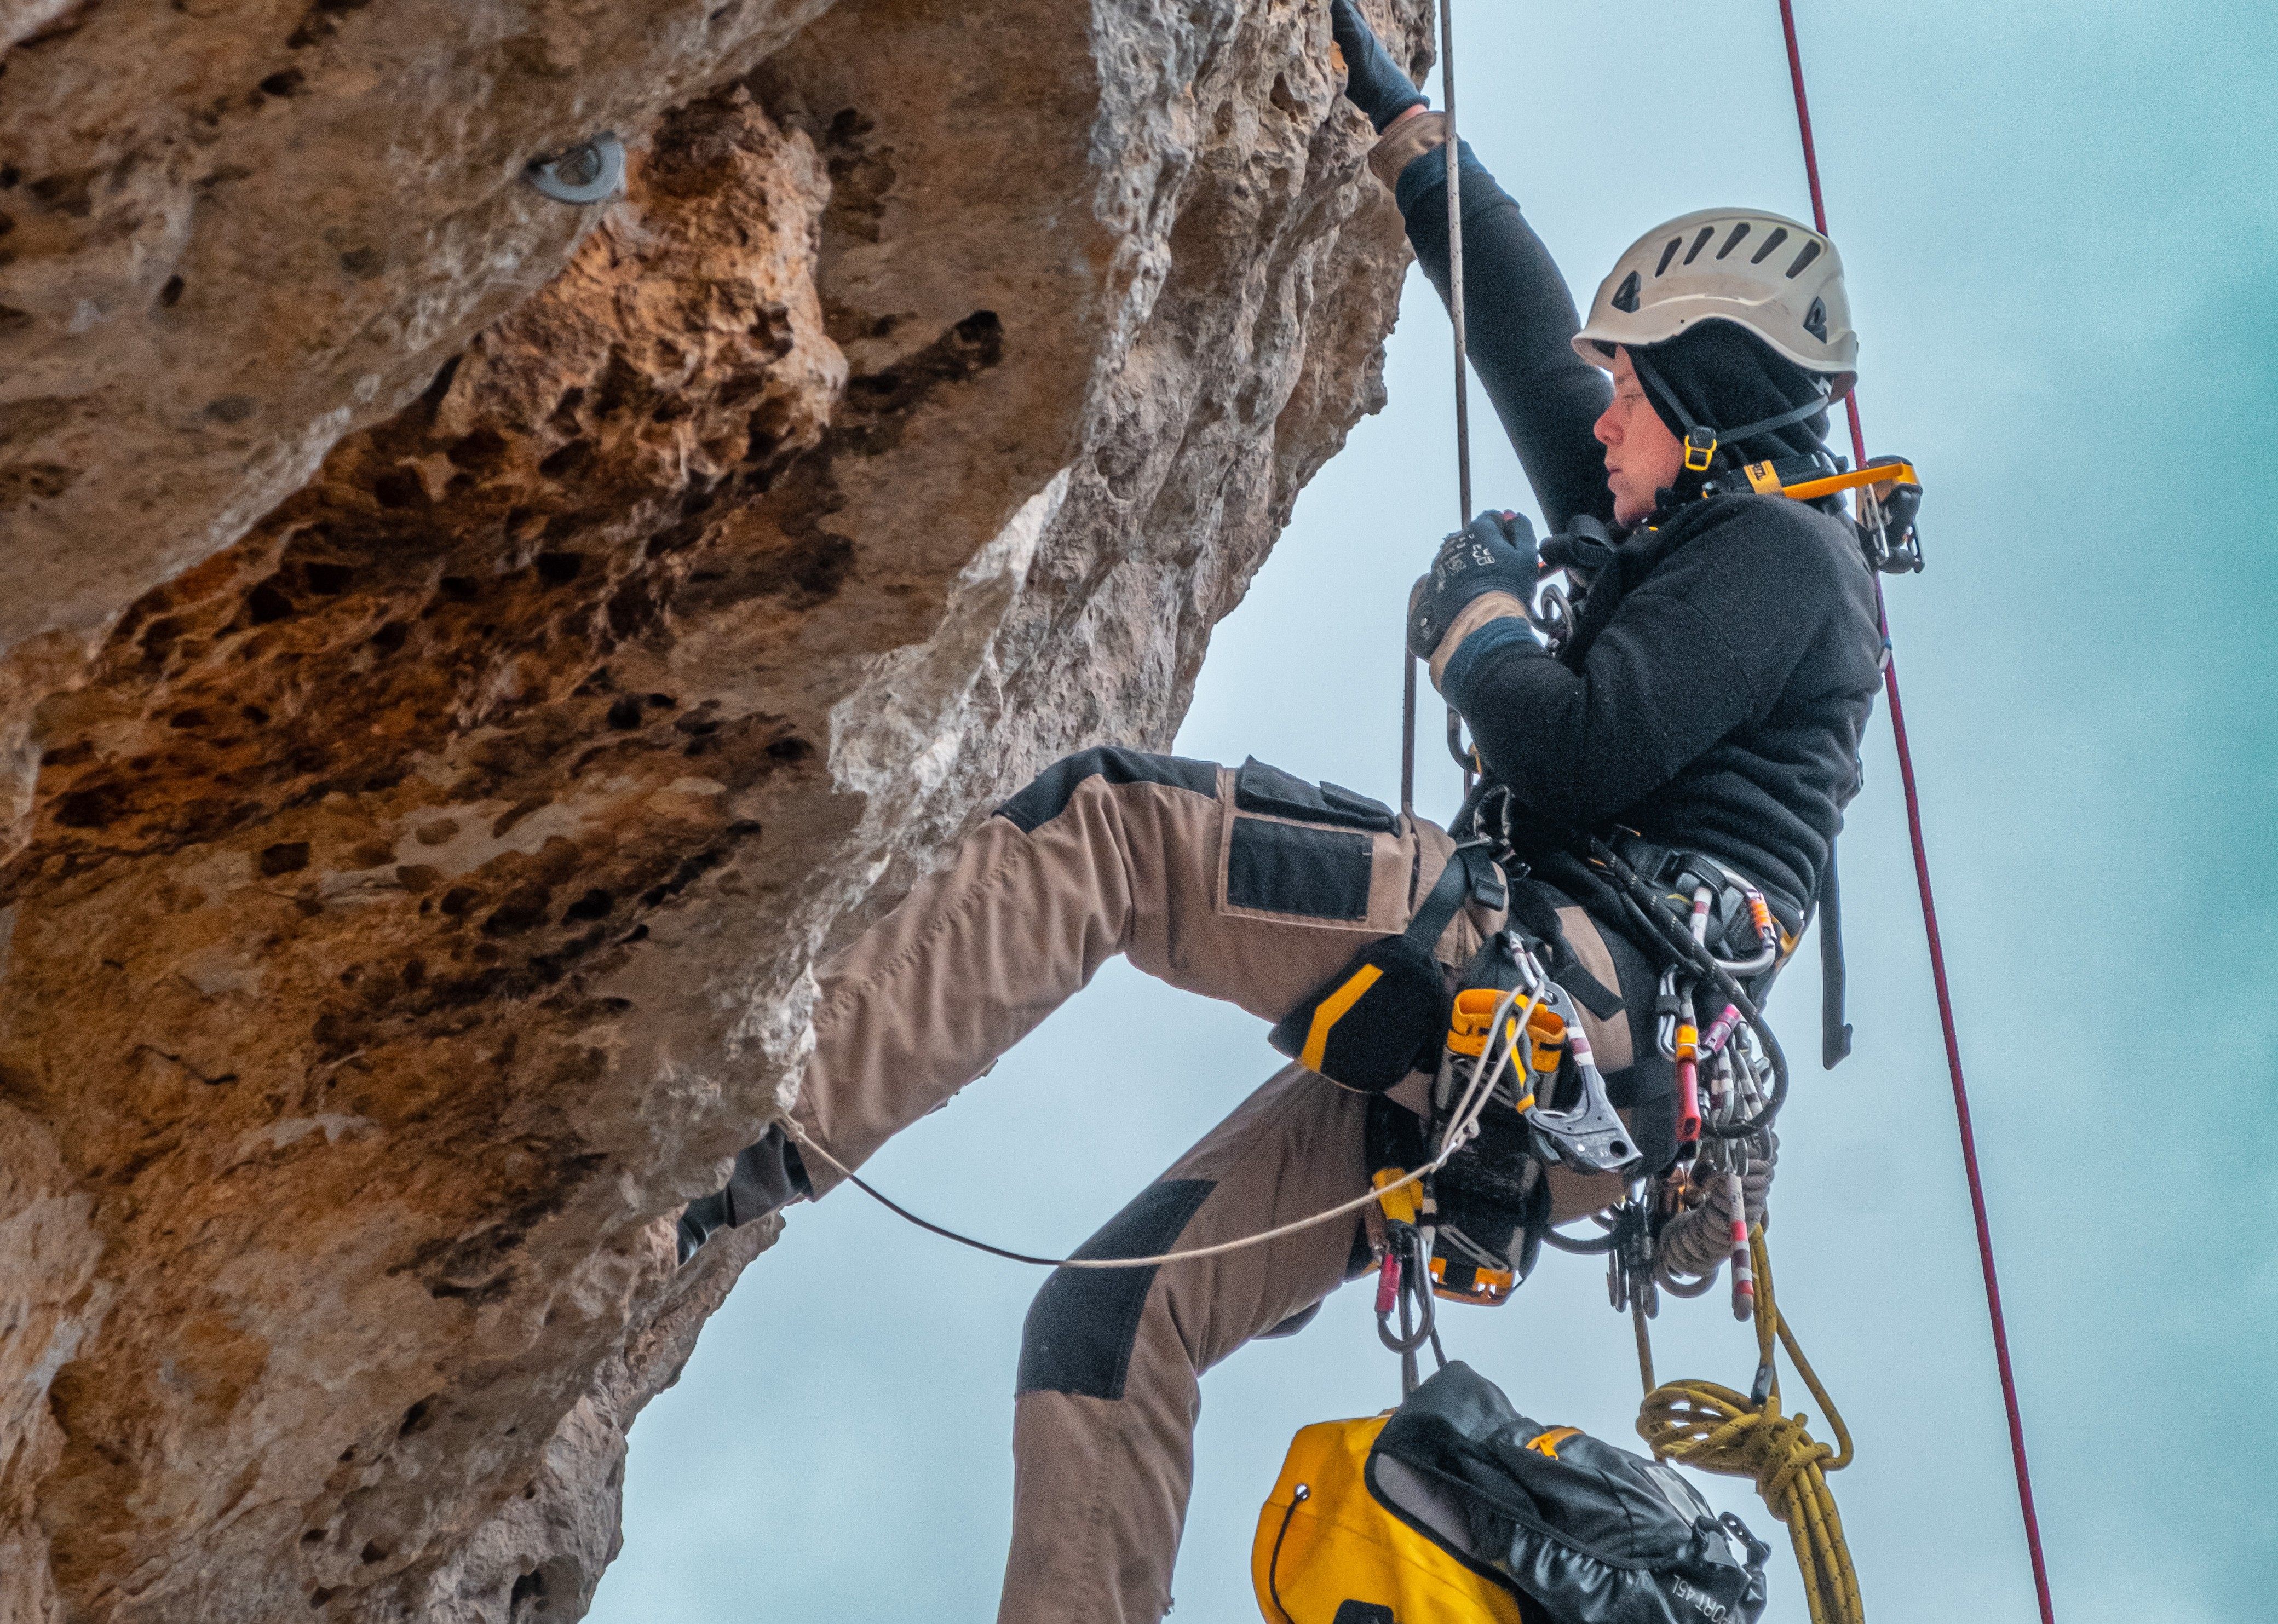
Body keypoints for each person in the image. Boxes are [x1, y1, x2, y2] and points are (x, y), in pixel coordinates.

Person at [675, 3, 1885, 1618]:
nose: (1600, 420)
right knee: (1107, 1325)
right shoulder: (1680, 533)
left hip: (1571, 994)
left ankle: (746, 1132)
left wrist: (1479, 621)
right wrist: (1399, 119)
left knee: (1113, 828)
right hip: (1548, 1051)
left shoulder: (1794, 565)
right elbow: (1525, 344)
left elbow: (1575, 749)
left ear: (1715, 415)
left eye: (1635, 396)